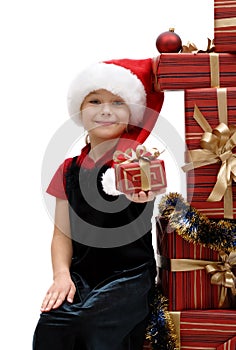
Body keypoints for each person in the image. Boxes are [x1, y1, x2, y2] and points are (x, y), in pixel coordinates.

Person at [33, 58, 164, 350]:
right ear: (80, 109)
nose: (105, 110)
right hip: (82, 276)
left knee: (91, 325)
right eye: (95, 100)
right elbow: (61, 235)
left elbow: (151, 182)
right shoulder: (68, 170)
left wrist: (140, 191)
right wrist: (61, 276)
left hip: (129, 277)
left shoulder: (136, 158)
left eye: (118, 102)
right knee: (52, 324)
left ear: (132, 113)